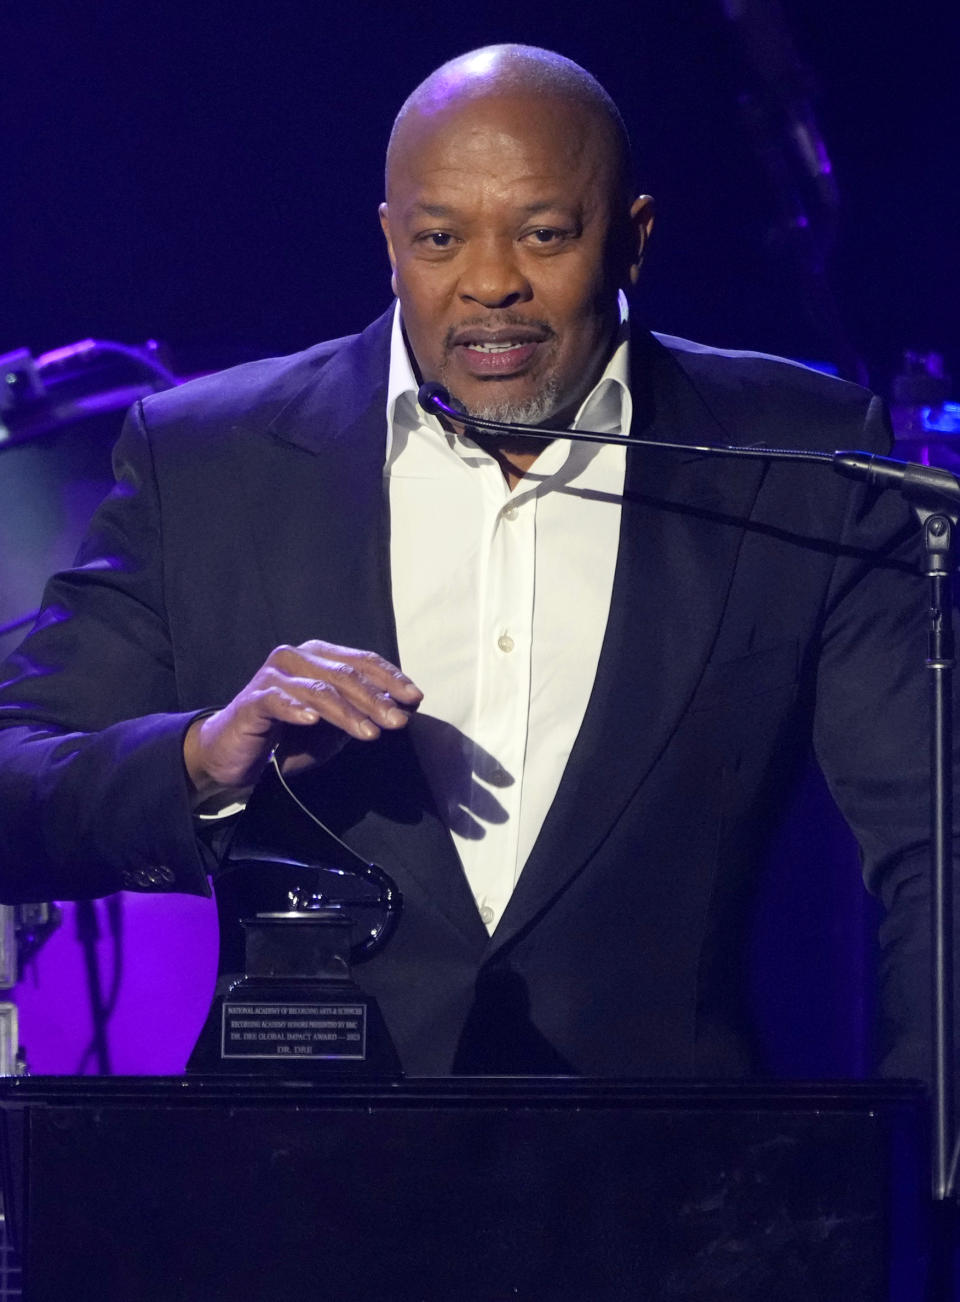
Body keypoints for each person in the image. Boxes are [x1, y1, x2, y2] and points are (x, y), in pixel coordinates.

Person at [0, 45, 944, 1079]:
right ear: (389, 243)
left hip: (680, 1203)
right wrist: (198, 758)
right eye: (441, 239)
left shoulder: (799, 454)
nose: (491, 283)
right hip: (294, 1195)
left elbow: (934, 854)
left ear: (633, 239)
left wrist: (917, 1195)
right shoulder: (207, 460)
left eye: (544, 234)